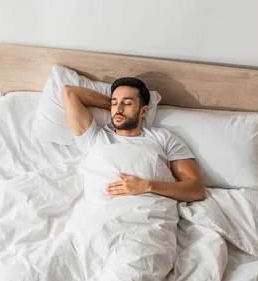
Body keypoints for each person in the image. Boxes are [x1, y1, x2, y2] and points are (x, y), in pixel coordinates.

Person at [61, 77, 205, 202]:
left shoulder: (164, 138)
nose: (118, 109)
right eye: (114, 102)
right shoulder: (94, 136)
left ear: (143, 111)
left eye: (128, 103)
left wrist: (147, 186)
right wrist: (116, 107)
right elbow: (69, 92)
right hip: (100, 212)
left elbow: (196, 189)